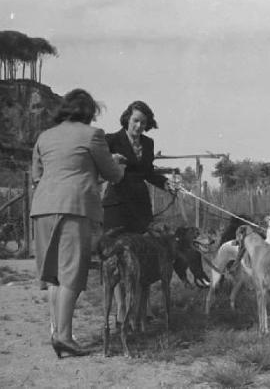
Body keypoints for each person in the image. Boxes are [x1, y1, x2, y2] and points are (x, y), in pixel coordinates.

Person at [31, 88, 125, 358]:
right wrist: (118, 165)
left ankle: (57, 331)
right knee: (72, 272)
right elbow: (113, 174)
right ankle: (63, 337)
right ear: (89, 112)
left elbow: (37, 176)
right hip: (75, 207)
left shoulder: (44, 137)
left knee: (53, 274)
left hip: (42, 207)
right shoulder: (92, 135)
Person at [102, 100, 176, 323]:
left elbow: (148, 172)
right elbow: (101, 166)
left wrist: (165, 183)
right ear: (127, 119)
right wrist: (112, 161)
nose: (138, 126)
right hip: (116, 204)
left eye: (143, 123)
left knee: (142, 255)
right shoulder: (111, 140)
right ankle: (121, 307)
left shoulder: (148, 143)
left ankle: (143, 308)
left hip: (140, 205)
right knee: (116, 256)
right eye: (135, 121)